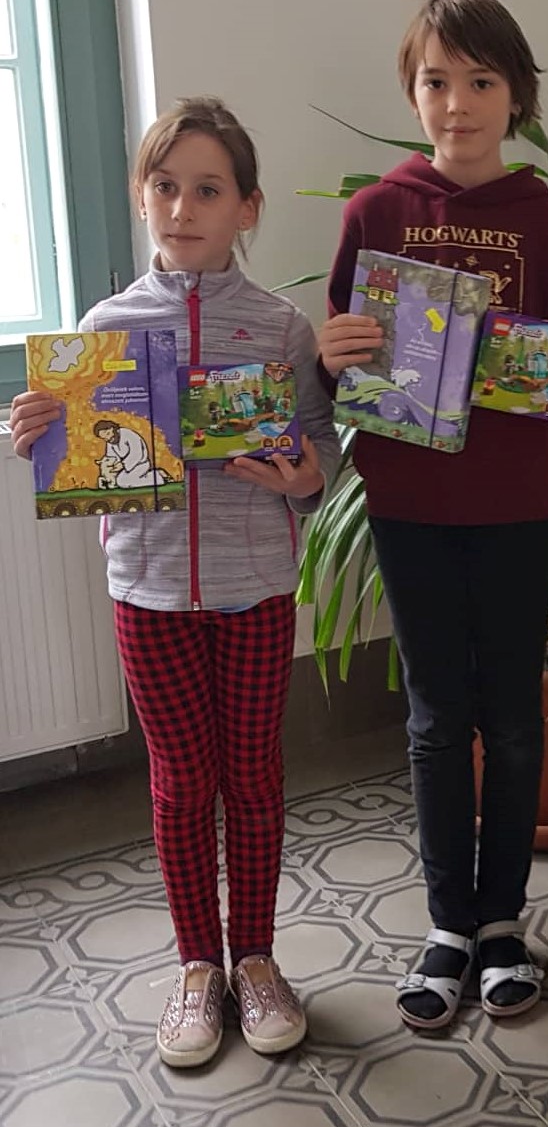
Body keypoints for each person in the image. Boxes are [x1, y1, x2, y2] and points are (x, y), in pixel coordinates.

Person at [8, 97, 340, 1068]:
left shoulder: (280, 328)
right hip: (146, 593)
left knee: (254, 777)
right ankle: (199, 967)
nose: (184, 208)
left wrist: (303, 478)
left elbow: (322, 448)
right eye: (165, 187)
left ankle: (257, 960)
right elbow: (80, 457)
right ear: (140, 196)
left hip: (256, 590)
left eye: (208, 189)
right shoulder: (105, 330)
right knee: (183, 782)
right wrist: (41, 436)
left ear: (247, 208)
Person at [316, 0, 548, 1031]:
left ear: (516, 95)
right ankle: (450, 925)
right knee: (436, 718)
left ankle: (503, 925)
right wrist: (333, 353)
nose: (457, 104)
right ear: (412, 92)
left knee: (514, 719)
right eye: (436, 81)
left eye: (480, 81)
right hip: (408, 503)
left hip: (520, 506)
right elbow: (341, 359)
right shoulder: (376, 214)